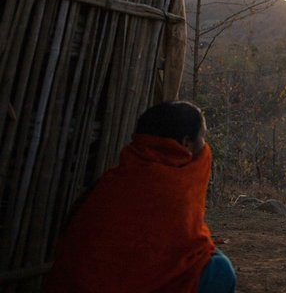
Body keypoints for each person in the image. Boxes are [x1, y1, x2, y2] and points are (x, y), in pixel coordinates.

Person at [47, 101, 236, 292]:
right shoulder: (175, 188)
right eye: (202, 137)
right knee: (220, 270)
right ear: (186, 143)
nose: (205, 146)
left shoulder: (112, 181)